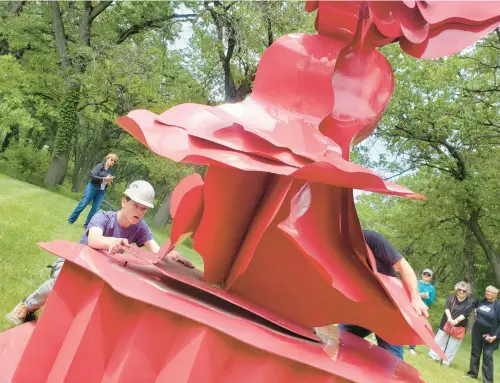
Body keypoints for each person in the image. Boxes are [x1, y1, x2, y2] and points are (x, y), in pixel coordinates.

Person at [6, 180, 195, 326]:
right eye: (136, 205)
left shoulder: (140, 228)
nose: (140, 211)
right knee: (62, 279)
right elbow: (93, 240)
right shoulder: (103, 217)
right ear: (124, 202)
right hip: (77, 263)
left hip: (105, 273)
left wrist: (171, 254)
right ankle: (26, 306)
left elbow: (156, 250)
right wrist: (112, 241)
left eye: (144, 208)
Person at [338, 230, 428, 360]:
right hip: (364, 309)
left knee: (392, 361)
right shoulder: (338, 248)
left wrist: (416, 298)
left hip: (390, 310)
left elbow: (403, 266)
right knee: (338, 342)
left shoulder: (371, 239)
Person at [68, 153, 118, 229]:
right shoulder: (99, 166)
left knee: (95, 209)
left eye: (114, 161)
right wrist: (104, 179)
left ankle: (87, 225)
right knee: (83, 204)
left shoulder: (111, 171)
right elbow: (92, 175)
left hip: (101, 190)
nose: (112, 162)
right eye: (112, 159)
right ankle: (71, 220)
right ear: (107, 159)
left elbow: (109, 183)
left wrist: (109, 182)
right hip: (92, 187)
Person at [428, 281, 473, 365]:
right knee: (439, 340)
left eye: (464, 291)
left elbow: (465, 314)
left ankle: (446, 362)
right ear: (457, 289)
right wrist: (450, 319)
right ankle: (434, 357)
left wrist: (455, 321)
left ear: (467, 292)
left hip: (459, 326)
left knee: (453, 345)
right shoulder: (451, 297)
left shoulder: (469, 302)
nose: (461, 292)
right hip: (446, 322)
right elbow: (447, 308)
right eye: (460, 290)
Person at [465, 286, 500, 383]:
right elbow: (473, 304)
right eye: (487, 291)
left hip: (491, 335)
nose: (488, 293)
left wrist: (495, 336)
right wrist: (475, 309)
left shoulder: (498, 306)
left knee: (487, 355)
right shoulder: (481, 300)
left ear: (496, 294)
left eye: (491, 292)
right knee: (475, 352)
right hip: (477, 331)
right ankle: (472, 374)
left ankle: (488, 381)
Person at [408, 268, 436, 355]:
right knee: (405, 322)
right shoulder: (416, 283)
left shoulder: (432, 288)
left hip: (422, 309)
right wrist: (419, 295)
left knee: (417, 328)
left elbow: (431, 301)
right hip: (412, 305)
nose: (426, 276)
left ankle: (411, 347)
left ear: (431, 277)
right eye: (425, 274)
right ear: (422, 274)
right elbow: (410, 292)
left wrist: (427, 297)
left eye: (428, 275)